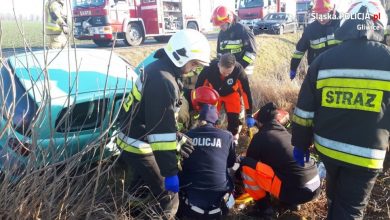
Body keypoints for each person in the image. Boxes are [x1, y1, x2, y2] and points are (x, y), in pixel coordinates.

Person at [291, 1, 389, 219]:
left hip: (328, 148)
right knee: (351, 210)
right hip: (365, 156)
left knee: (335, 196)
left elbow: (305, 109)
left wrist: (299, 143)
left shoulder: (324, 61)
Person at [116, 29, 211, 219]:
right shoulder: (163, 81)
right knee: (169, 198)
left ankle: (130, 211)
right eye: (193, 63)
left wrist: (176, 136)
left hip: (131, 136)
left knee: (141, 182)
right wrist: (170, 172)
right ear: (180, 55)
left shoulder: (158, 68)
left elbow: (154, 118)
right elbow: (160, 134)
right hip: (138, 144)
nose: (193, 68)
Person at [241, 102, 320, 217]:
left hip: (298, 190)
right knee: (286, 168)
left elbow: (250, 163)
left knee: (246, 164)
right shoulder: (286, 134)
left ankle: (264, 208)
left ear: (260, 122)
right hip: (315, 186)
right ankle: (291, 203)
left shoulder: (260, 137)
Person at [177, 104, 236, 219]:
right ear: (216, 121)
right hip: (219, 209)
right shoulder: (227, 136)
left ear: (199, 119)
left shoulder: (187, 136)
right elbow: (231, 163)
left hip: (189, 207)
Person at [196, 53, 255, 145]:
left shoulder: (239, 70)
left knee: (234, 118)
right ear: (219, 65)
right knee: (210, 117)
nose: (226, 75)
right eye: (224, 73)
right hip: (214, 94)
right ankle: (212, 136)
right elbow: (199, 87)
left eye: (229, 73)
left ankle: (233, 139)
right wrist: (198, 106)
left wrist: (249, 113)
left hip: (231, 94)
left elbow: (246, 92)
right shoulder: (209, 68)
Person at [289, 0, 341, 80]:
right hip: (316, 73)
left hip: (338, 72)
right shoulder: (310, 30)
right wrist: (293, 68)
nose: (321, 18)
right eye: (318, 15)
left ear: (332, 12)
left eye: (324, 14)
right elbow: (299, 51)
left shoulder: (342, 25)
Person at [211, 5, 257, 75]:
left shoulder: (242, 30)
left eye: (222, 25)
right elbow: (220, 53)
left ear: (229, 21)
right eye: (219, 25)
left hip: (244, 70)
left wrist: (239, 67)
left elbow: (251, 52)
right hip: (229, 71)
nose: (221, 27)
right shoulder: (221, 34)